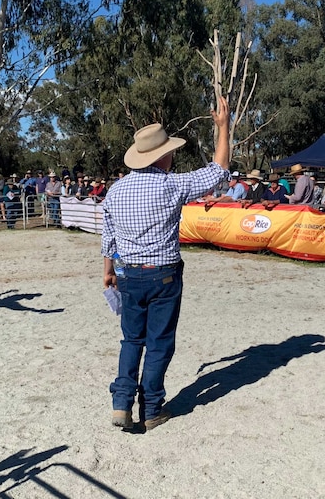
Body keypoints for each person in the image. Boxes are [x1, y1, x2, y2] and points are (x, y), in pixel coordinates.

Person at [102, 95, 230, 432]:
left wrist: (107, 272)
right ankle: (153, 408)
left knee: (132, 340)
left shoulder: (115, 191)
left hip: (128, 274)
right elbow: (218, 171)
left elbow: (108, 238)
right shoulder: (172, 184)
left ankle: (121, 402)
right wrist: (223, 128)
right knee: (159, 342)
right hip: (163, 275)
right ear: (164, 156)